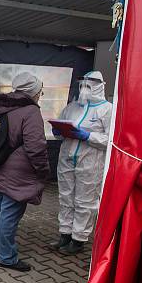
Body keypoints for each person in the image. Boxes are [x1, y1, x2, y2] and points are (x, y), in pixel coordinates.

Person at [0, 72, 51, 272]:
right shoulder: (30, 111)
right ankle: (6, 257)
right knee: (10, 212)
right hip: (19, 171)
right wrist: (43, 170)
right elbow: (36, 147)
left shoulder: (3, 105)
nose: (41, 94)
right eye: (40, 91)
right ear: (33, 92)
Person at [51, 71, 113, 255]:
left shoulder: (107, 109)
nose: (85, 88)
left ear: (100, 85)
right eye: (83, 84)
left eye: (90, 84)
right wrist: (58, 131)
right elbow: (60, 123)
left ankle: (78, 239)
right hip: (67, 157)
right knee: (66, 197)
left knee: (85, 201)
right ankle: (65, 234)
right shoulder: (72, 107)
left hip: (91, 160)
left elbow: (111, 139)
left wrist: (89, 136)